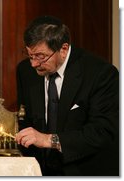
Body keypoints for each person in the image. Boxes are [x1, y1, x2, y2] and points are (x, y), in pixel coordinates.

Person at [15, 16, 119, 176]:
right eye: (30, 55)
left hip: (85, 171)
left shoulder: (100, 74)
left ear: (63, 49)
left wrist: (49, 140)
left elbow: (102, 132)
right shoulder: (25, 71)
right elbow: (26, 120)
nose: (33, 64)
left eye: (41, 56)